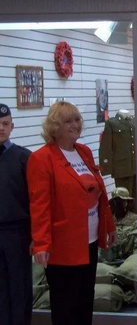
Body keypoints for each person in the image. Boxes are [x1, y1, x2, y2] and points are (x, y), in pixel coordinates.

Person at [27, 101, 117, 325]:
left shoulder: (83, 151)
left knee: (85, 301)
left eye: (77, 119)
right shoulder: (41, 159)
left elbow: (98, 193)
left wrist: (109, 225)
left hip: (89, 240)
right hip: (62, 245)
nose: (75, 124)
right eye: (68, 120)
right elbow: (40, 205)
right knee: (66, 307)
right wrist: (41, 243)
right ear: (55, 126)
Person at [0, 104, 32, 325]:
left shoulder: (24, 158)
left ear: (12, 126)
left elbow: (36, 201)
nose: (1, 128)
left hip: (17, 232)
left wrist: (35, 236)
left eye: (4, 124)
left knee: (19, 290)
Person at [99, 187, 137, 264]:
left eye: (121, 201)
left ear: (127, 202)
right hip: (107, 259)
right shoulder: (108, 220)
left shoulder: (135, 219)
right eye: (116, 201)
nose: (118, 204)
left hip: (128, 258)